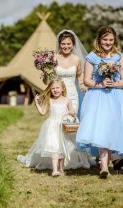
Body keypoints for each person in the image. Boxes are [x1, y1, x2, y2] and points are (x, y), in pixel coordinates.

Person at [76, 26, 123, 179]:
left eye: (111, 40)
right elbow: (87, 81)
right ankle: (104, 167)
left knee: (112, 128)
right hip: (98, 97)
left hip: (116, 97)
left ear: (114, 40)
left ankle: (111, 160)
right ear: (99, 40)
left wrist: (113, 84)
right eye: (105, 39)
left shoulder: (119, 57)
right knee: (101, 129)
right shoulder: (91, 57)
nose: (108, 42)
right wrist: (101, 84)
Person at [53, 30, 96, 169]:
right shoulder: (53, 58)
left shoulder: (77, 59)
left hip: (72, 96)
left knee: (71, 125)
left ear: (73, 45)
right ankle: (57, 157)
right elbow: (49, 80)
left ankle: (72, 157)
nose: (66, 46)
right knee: (57, 125)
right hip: (57, 96)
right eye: (63, 44)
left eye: (68, 44)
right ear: (59, 44)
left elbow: (79, 77)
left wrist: (85, 87)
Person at [17, 79, 76, 176]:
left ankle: (61, 169)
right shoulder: (50, 100)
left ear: (62, 89)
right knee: (54, 148)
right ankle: (55, 170)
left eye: (57, 88)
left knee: (62, 148)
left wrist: (71, 113)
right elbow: (43, 113)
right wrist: (37, 103)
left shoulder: (67, 101)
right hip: (52, 127)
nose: (55, 90)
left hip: (62, 127)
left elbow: (72, 111)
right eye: (52, 88)